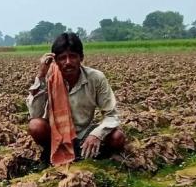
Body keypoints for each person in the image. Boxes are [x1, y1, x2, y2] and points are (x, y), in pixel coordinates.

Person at [26, 32, 125, 162]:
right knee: (35, 126)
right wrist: (41, 76)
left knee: (117, 137)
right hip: (56, 134)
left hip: (84, 132)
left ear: (81, 57)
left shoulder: (96, 78)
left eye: (72, 56)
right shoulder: (49, 78)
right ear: (55, 61)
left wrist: (96, 135)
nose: (68, 62)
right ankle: (53, 153)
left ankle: (96, 155)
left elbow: (112, 115)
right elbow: (35, 113)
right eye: (62, 58)